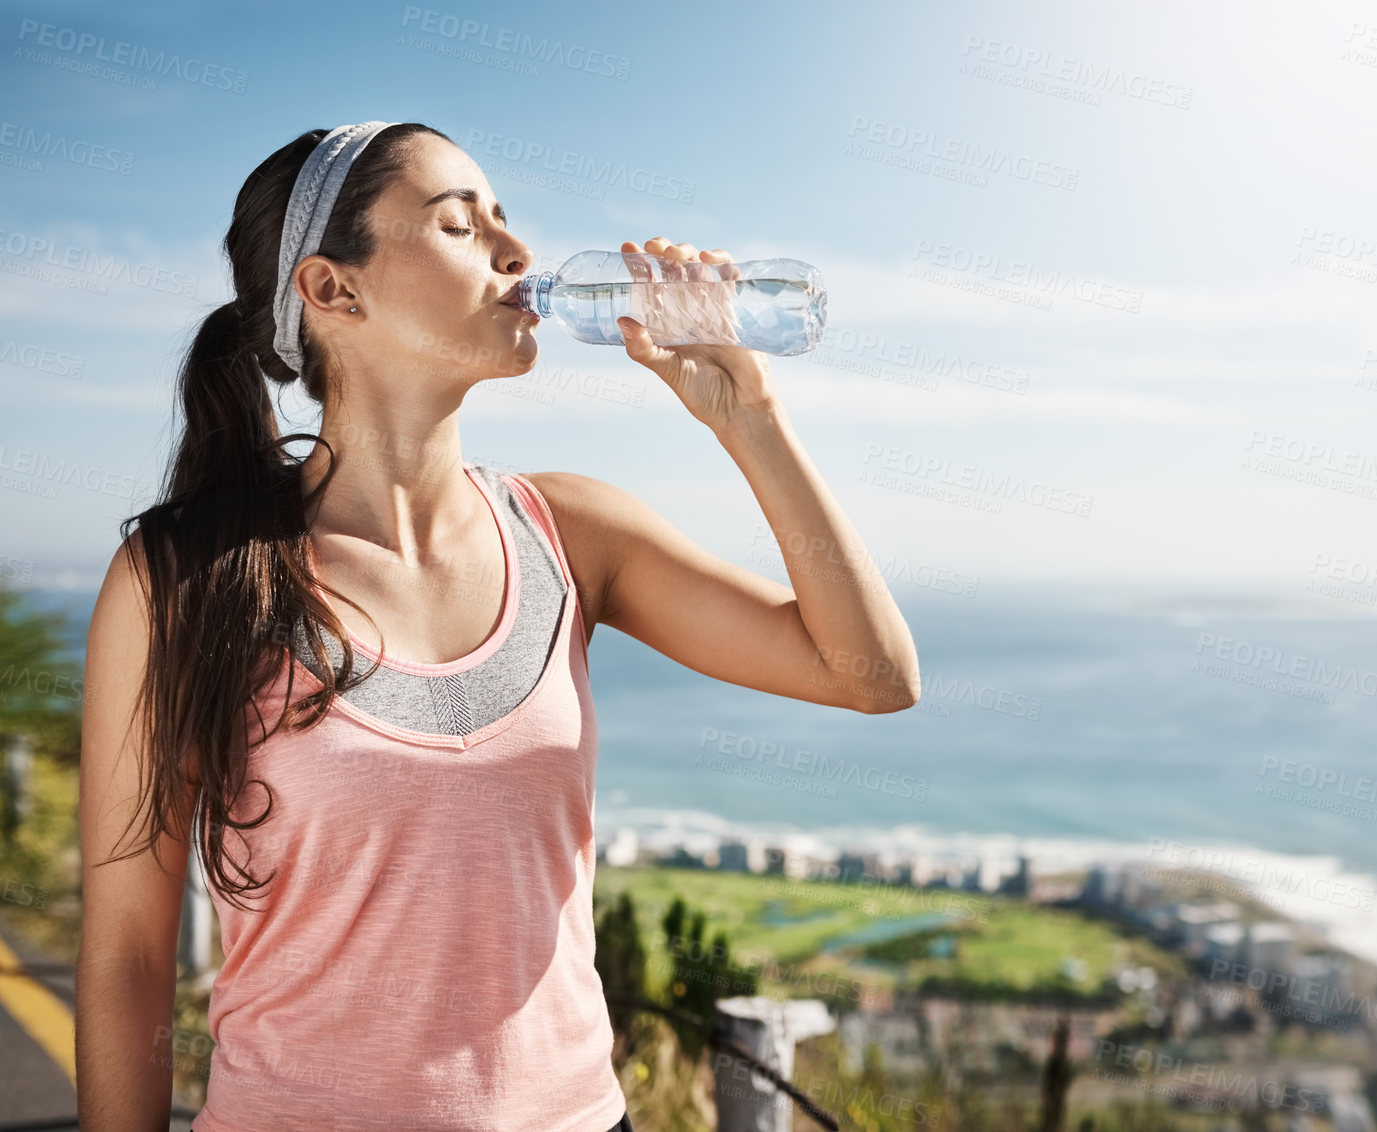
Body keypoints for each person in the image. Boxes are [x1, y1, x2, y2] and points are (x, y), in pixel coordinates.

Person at [74, 120, 919, 1131]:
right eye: (459, 225)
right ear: (332, 290)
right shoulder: (185, 580)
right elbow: (127, 951)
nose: (518, 253)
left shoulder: (574, 532)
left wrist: (751, 417)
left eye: (506, 221)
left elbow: (870, 672)